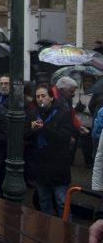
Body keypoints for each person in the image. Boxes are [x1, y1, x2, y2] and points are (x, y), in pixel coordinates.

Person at [24, 86, 74, 216]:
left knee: (61, 200)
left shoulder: (62, 113)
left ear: (51, 97)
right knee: (44, 199)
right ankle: (49, 226)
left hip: (58, 164)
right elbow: (25, 135)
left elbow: (65, 136)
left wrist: (44, 128)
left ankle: (66, 229)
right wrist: (32, 130)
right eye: (38, 96)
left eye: (43, 96)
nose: (40, 99)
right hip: (40, 164)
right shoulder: (33, 114)